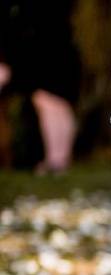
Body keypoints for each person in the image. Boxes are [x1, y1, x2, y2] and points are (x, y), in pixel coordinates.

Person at [0, 0, 80, 174]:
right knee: (51, 105)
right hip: (43, 54)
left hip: (47, 55)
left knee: (53, 105)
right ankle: (58, 158)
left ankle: (58, 159)